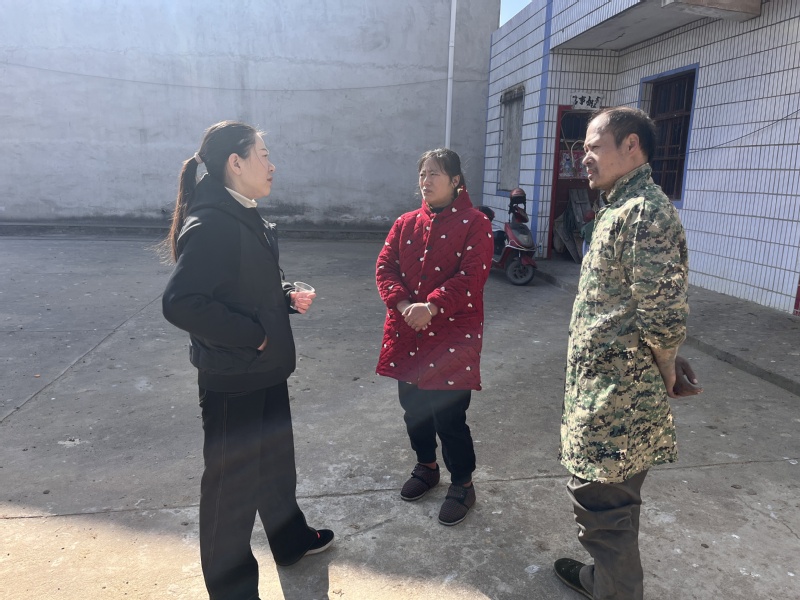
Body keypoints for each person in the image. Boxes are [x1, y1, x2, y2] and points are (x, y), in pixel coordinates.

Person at [161, 121, 333, 600]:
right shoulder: (212, 223)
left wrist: (284, 295)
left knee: (276, 466)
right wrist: (253, 336)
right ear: (235, 163)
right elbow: (181, 303)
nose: (271, 164)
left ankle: (291, 540)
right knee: (230, 495)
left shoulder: (242, 212)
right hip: (234, 378)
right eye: (263, 154)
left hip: (263, 369)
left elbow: (241, 283)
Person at [554, 107, 703, 600]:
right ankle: (604, 580)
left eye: (594, 147)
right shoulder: (621, 206)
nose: (584, 157)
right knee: (612, 503)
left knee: (601, 504)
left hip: (618, 398)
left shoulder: (642, 211)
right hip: (607, 387)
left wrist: (668, 366)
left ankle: (614, 589)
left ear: (631, 145)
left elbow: (663, 314)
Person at [376, 148, 493, 526]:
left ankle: (463, 483)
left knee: (449, 416)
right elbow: (385, 266)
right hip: (408, 331)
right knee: (414, 409)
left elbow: (472, 276)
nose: (425, 181)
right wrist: (404, 304)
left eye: (435, 174)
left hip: (451, 334)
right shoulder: (405, 223)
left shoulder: (476, 223)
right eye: (422, 174)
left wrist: (432, 306)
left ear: (456, 180)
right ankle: (426, 466)